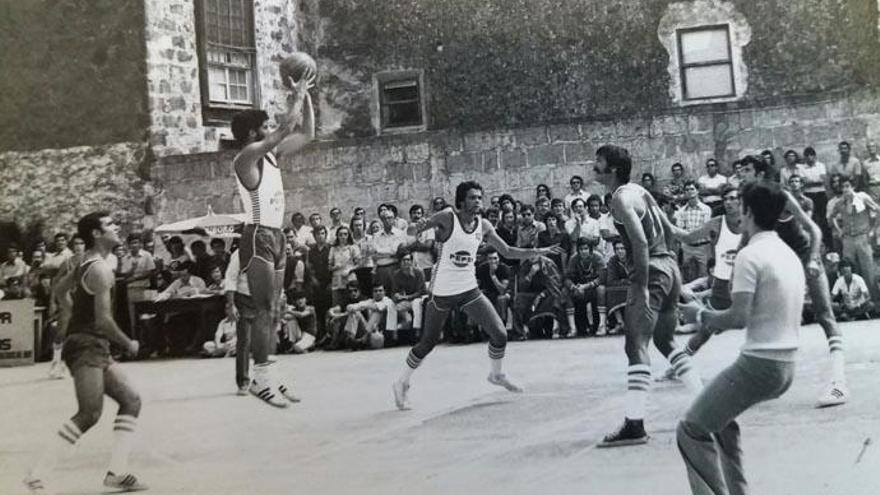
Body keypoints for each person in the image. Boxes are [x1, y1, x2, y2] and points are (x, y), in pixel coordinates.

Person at [684, 156, 850, 407]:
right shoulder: (750, 201)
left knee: (825, 315)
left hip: (804, 257)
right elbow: (745, 239)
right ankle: (683, 359)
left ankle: (839, 383)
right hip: (779, 262)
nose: (742, 175)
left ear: (760, 173)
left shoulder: (779, 195)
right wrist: (734, 271)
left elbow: (813, 229)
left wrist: (814, 259)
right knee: (736, 313)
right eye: (740, 171)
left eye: (747, 170)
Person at [676, 181, 804, 495]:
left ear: (747, 213)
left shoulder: (750, 255)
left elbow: (738, 317)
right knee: (721, 423)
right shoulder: (786, 254)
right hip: (786, 367)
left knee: (690, 430)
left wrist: (700, 316)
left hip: (760, 365)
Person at [392, 181, 559, 410]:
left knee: (500, 334)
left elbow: (508, 251)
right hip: (443, 292)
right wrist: (416, 227)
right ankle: (402, 381)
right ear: (462, 201)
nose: (478, 201)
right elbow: (413, 231)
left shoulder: (484, 225)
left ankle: (496, 374)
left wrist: (537, 251)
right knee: (427, 343)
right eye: (473, 197)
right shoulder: (447, 217)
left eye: (480, 197)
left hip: (469, 289)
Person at [24, 212, 146, 493]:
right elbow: (103, 319)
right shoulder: (100, 269)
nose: (116, 227)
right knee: (90, 413)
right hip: (85, 345)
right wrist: (129, 343)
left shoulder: (85, 262)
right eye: (110, 225)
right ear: (95, 233)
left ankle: (117, 472)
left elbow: (58, 288)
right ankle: (38, 474)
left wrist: (70, 311)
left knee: (131, 400)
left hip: (95, 345)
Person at [592, 145, 702, 447]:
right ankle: (705, 404)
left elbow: (639, 243)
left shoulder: (618, 198)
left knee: (635, 345)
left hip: (651, 271)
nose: (594, 167)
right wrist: (671, 263)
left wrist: (640, 283)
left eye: (599, 163)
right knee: (666, 342)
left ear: (613, 169)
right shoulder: (639, 190)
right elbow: (671, 231)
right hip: (668, 266)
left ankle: (635, 423)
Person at [230, 63, 314, 408]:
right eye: (264, 126)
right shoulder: (246, 157)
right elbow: (284, 130)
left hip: (277, 236)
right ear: (252, 134)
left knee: (274, 310)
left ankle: (270, 378)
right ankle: (258, 381)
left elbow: (306, 132)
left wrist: (306, 94)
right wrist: (297, 92)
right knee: (263, 310)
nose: (270, 130)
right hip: (257, 236)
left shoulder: (274, 157)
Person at [659, 185, 743, 379]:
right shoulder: (716, 223)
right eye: (726, 199)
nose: (729, 202)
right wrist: (664, 221)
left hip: (745, 284)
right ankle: (677, 368)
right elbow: (688, 236)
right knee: (705, 330)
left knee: (759, 326)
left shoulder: (751, 223)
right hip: (722, 286)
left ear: (741, 201)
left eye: (733, 198)